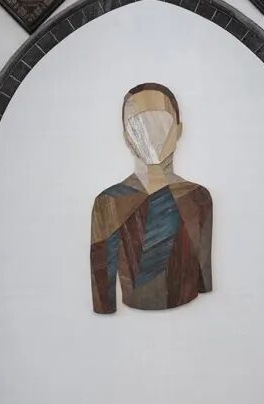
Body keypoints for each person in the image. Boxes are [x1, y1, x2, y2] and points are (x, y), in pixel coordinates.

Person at [90, 83, 212, 314]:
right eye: (137, 124)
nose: (151, 134)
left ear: (178, 130)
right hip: (137, 316)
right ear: (127, 137)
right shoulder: (108, 202)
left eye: (161, 121)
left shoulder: (198, 196)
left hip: (189, 312)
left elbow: (203, 278)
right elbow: (102, 294)